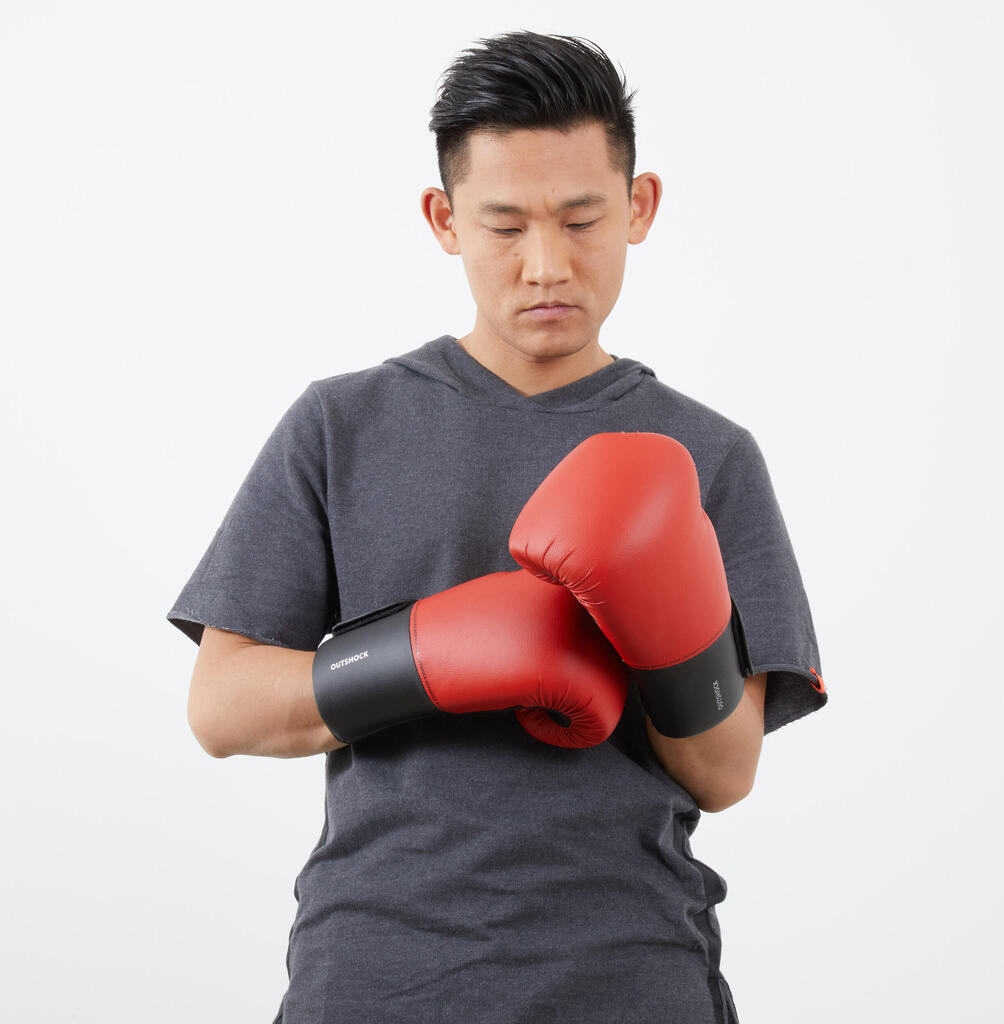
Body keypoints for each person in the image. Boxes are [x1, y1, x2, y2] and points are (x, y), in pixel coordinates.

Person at [167, 29, 828, 1024]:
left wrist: (659, 628)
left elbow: (726, 770)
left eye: (580, 217)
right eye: (505, 224)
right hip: (374, 975)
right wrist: (428, 652)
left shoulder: (705, 454)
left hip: (632, 976)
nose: (545, 264)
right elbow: (221, 703)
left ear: (638, 207)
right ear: (444, 219)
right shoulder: (339, 425)